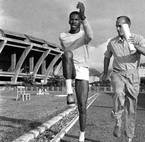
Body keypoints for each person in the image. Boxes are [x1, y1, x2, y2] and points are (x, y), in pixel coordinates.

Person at [102, 16, 145, 142]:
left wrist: (135, 45)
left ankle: (129, 137)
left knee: (131, 107)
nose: (117, 28)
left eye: (120, 26)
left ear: (127, 26)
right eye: (116, 26)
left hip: (133, 74)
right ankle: (117, 122)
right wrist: (105, 72)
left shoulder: (138, 38)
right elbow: (107, 57)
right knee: (118, 94)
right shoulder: (112, 42)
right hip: (117, 73)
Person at [59, 2, 93, 142]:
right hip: (70, 66)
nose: (74, 21)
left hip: (83, 70)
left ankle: (82, 134)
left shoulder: (84, 35)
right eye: (72, 19)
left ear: (80, 21)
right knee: (67, 53)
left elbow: (90, 36)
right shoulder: (63, 36)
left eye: (77, 19)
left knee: (82, 107)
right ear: (69, 21)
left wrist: (84, 17)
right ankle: (69, 93)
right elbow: (66, 49)